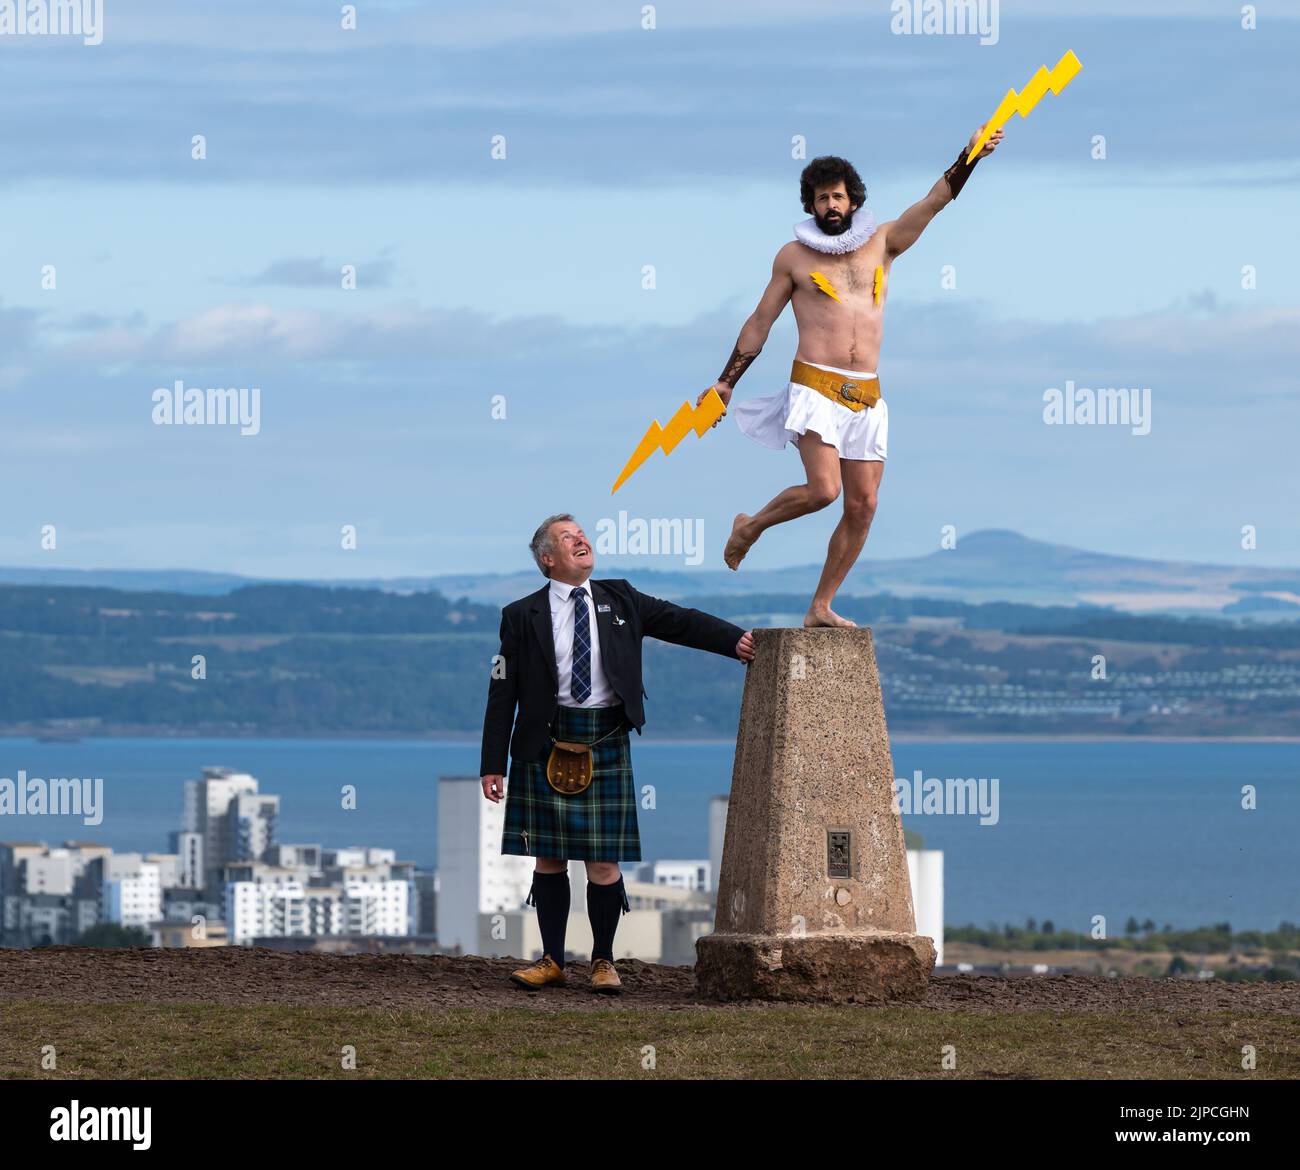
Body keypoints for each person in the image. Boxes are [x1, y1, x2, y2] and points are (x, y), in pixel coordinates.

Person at [699, 125, 1004, 627]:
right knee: (824, 491)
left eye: (837, 196)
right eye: (821, 199)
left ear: (853, 199)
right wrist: (726, 380)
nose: (830, 205)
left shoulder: (884, 241)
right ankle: (750, 527)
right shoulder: (793, 258)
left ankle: (820, 606)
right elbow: (760, 321)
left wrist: (972, 154)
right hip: (815, 386)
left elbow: (935, 199)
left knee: (863, 506)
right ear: (811, 206)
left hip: (867, 395)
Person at [480, 513, 756, 994]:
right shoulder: (520, 615)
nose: (581, 540)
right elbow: (501, 691)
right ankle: (551, 960)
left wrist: (734, 641)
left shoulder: (621, 597)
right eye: (569, 538)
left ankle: (604, 961)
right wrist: (491, 764)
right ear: (548, 559)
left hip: (604, 737)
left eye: (582, 534)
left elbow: (680, 622)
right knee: (547, 857)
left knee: (604, 862)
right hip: (543, 742)